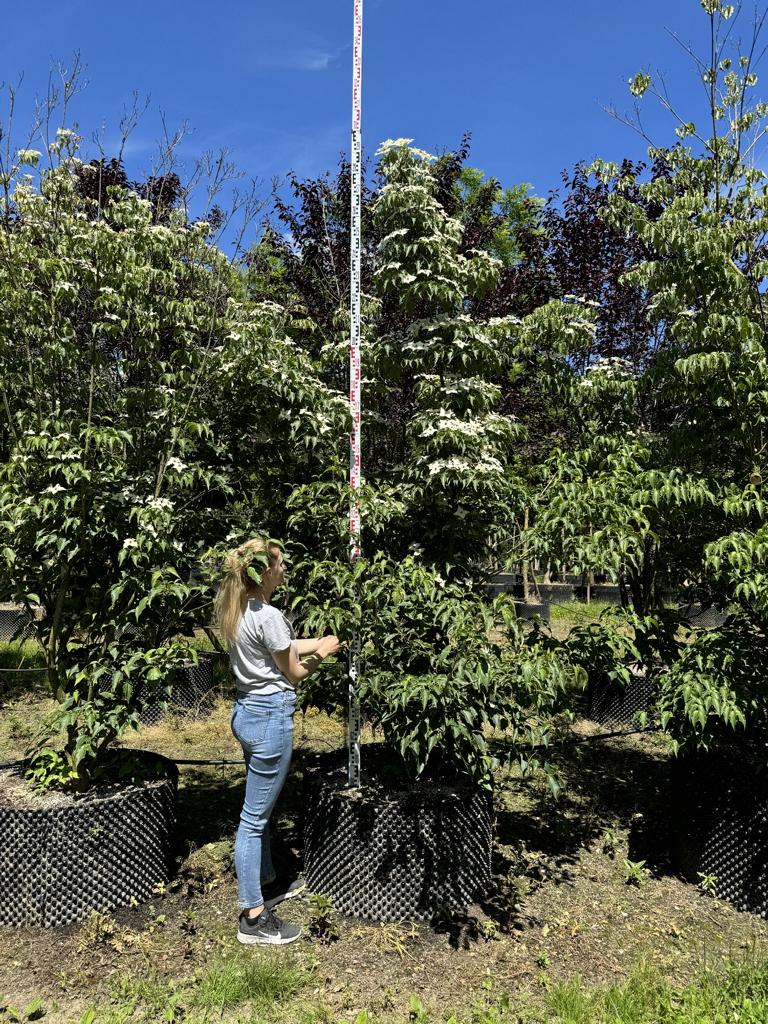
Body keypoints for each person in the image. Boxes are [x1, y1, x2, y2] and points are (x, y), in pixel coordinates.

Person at [215, 536, 342, 945]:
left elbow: (282, 649)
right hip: (271, 718)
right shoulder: (268, 615)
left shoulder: (237, 609)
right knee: (253, 820)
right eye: (280, 565)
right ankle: (253, 917)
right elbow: (293, 671)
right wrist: (325, 652)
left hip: (246, 712)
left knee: (259, 807)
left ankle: (264, 876)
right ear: (265, 571)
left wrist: (316, 642)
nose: (284, 570)